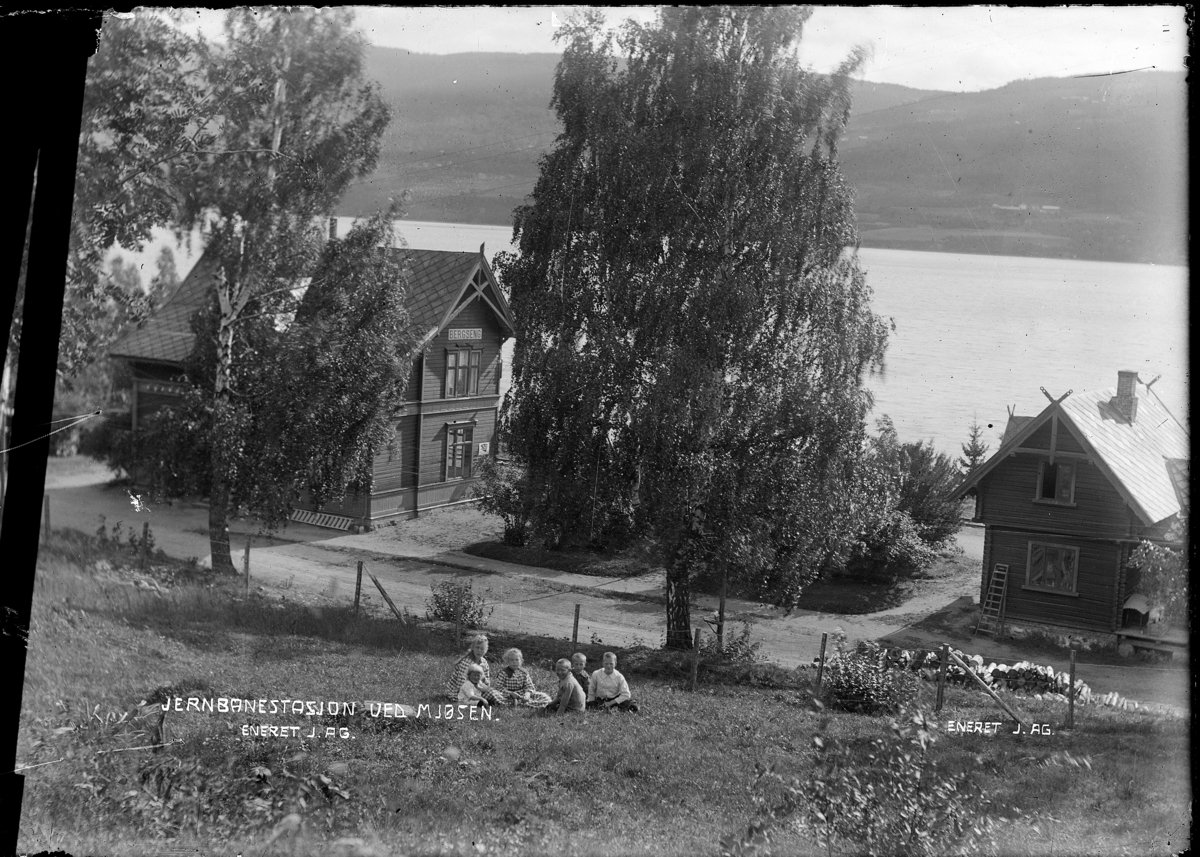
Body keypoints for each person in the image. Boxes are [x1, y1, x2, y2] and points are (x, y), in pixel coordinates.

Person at [444, 633, 503, 704]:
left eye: (482, 648)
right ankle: (505, 703)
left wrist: (483, 686)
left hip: (476, 689)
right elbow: (461, 685)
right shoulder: (466, 662)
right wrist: (478, 689)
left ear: (485, 650)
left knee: (493, 692)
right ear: (473, 648)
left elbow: (487, 683)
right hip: (460, 693)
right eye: (477, 647)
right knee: (491, 694)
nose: (479, 651)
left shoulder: (484, 662)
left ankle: (508, 700)